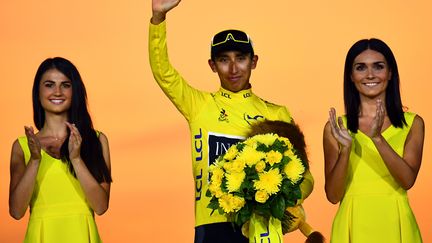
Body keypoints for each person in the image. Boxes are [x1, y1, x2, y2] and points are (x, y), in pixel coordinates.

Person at [149, 0, 313, 242]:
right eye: (224, 60)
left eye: (241, 58)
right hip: (212, 224)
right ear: (212, 65)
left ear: (254, 61)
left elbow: (306, 177)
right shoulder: (199, 106)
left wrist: (283, 197)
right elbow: (163, 73)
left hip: (261, 224)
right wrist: (157, 20)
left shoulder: (277, 113)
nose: (234, 68)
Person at [323, 38, 424, 242]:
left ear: (390, 73)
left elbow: (407, 180)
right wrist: (345, 151)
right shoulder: (336, 128)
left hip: (396, 222)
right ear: (351, 76)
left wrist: (377, 138)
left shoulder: (413, 123)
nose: (370, 75)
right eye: (361, 68)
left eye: (378, 67)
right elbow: (333, 196)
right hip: (352, 221)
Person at [8, 57, 112, 243]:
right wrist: (35, 160)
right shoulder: (21, 147)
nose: (57, 92)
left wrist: (77, 159)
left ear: (75, 91)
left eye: (65, 85)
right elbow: (16, 211)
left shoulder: (96, 140)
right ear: (37, 92)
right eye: (49, 84)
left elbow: (101, 206)